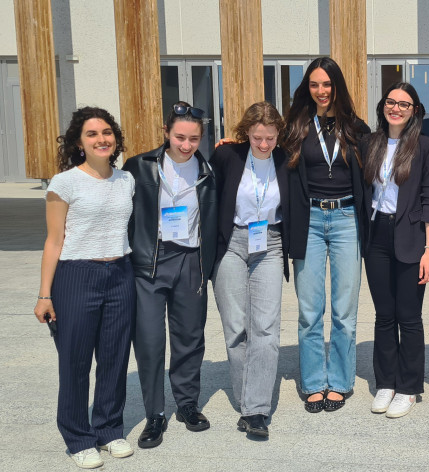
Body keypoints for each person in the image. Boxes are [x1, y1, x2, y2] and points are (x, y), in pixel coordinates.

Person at [35, 107, 136, 469]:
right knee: (75, 362)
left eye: (106, 132)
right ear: (79, 142)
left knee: (114, 359)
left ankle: (109, 429)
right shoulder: (64, 183)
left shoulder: (126, 180)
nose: (101, 139)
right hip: (76, 278)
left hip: (121, 275)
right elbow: (53, 240)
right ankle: (78, 437)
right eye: (92, 134)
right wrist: (45, 294)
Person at [280, 56, 372, 414]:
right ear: (308, 87)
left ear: (337, 86)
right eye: (315, 84)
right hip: (310, 221)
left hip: (347, 218)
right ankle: (314, 382)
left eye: (327, 84)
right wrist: (235, 145)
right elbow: (264, 146)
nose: (321, 91)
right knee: (309, 309)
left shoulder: (355, 127)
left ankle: (341, 381)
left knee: (344, 309)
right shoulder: (297, 126)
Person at [123, 101, 218, 449]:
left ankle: (187, 404)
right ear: (165, 132)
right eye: (179, 136)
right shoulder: (140, 167)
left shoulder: (208, 170)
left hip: (191, 259)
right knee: (149, 340)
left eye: (193, 138)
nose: (186, 145)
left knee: (190, 338)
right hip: (151, 261)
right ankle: (154, 414)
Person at [360, 82, 429, 419]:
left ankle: (408, 387)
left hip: (410, 236)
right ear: (383, 106)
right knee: (384, 315)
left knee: (409, 317)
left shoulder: (425, 147)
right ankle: (386, 382)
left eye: (404, 104)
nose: (397, 108)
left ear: (414, 111)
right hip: (376, 235)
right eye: (391, 102)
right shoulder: (369, 143)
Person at [211, 101, 289, 439]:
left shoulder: (286, 159)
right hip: (232, 243)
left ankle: (256, 410)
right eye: (257, 137)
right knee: (235, 327)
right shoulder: (227, 156)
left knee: (267, 328)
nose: (263, 145)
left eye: (270, 138)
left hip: (270, 244)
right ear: (247, 133)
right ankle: (247, 400)